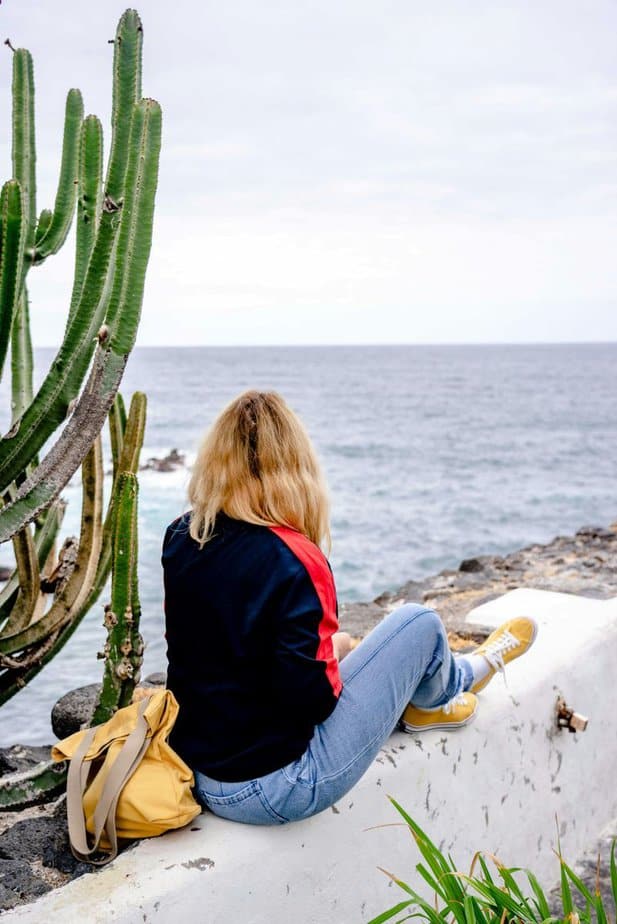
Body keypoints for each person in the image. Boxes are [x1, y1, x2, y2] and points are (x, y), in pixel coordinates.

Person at [163, 390, 537, 825]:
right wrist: (334, 651)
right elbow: (314, 702)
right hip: (278, 787)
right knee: (418, 622)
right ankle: (459, 680)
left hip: (197, 775)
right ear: (295, 468)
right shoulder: (295, 559)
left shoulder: (181, 536)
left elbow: (210, 649)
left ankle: (434, 699)